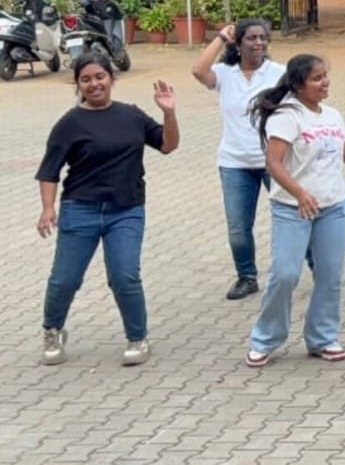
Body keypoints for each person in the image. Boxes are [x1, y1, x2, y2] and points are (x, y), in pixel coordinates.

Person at [245, 54, 345, 366]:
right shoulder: (287, 116)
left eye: (325, 75)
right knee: (285, 274)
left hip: (333, 207)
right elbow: (273, 163)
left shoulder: (333, 116)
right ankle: (265, 338)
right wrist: (299, 193)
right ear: (298, 84)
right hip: (292, 209)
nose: (325, 82)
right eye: (317, 78)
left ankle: (322, 338)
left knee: (330, 276)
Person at [35, 52, 179, 368]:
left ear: (111, 78)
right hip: (80, 209)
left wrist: (169, 113)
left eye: (100, 76)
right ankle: (53, 331)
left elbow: (168, 145)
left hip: (125, 210)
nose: (94, 84)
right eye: (86, 79)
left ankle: (137, 338)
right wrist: (48, 208)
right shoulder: (69, 124)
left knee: (125, 276)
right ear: (78, 85)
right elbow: (49, 171)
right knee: (64, 279)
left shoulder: (131, 115)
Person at [190, 19, 286, 300]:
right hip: (234, 162)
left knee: (291, 216)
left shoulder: (279, 73)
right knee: (238, 227)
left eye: (263, 38)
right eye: (251, 38)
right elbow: (198, 70)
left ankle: (312, 265)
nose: (258, 43)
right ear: (238, 43)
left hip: (274, 161)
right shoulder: (224, 73)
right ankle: (246, 276)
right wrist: (221, 37)